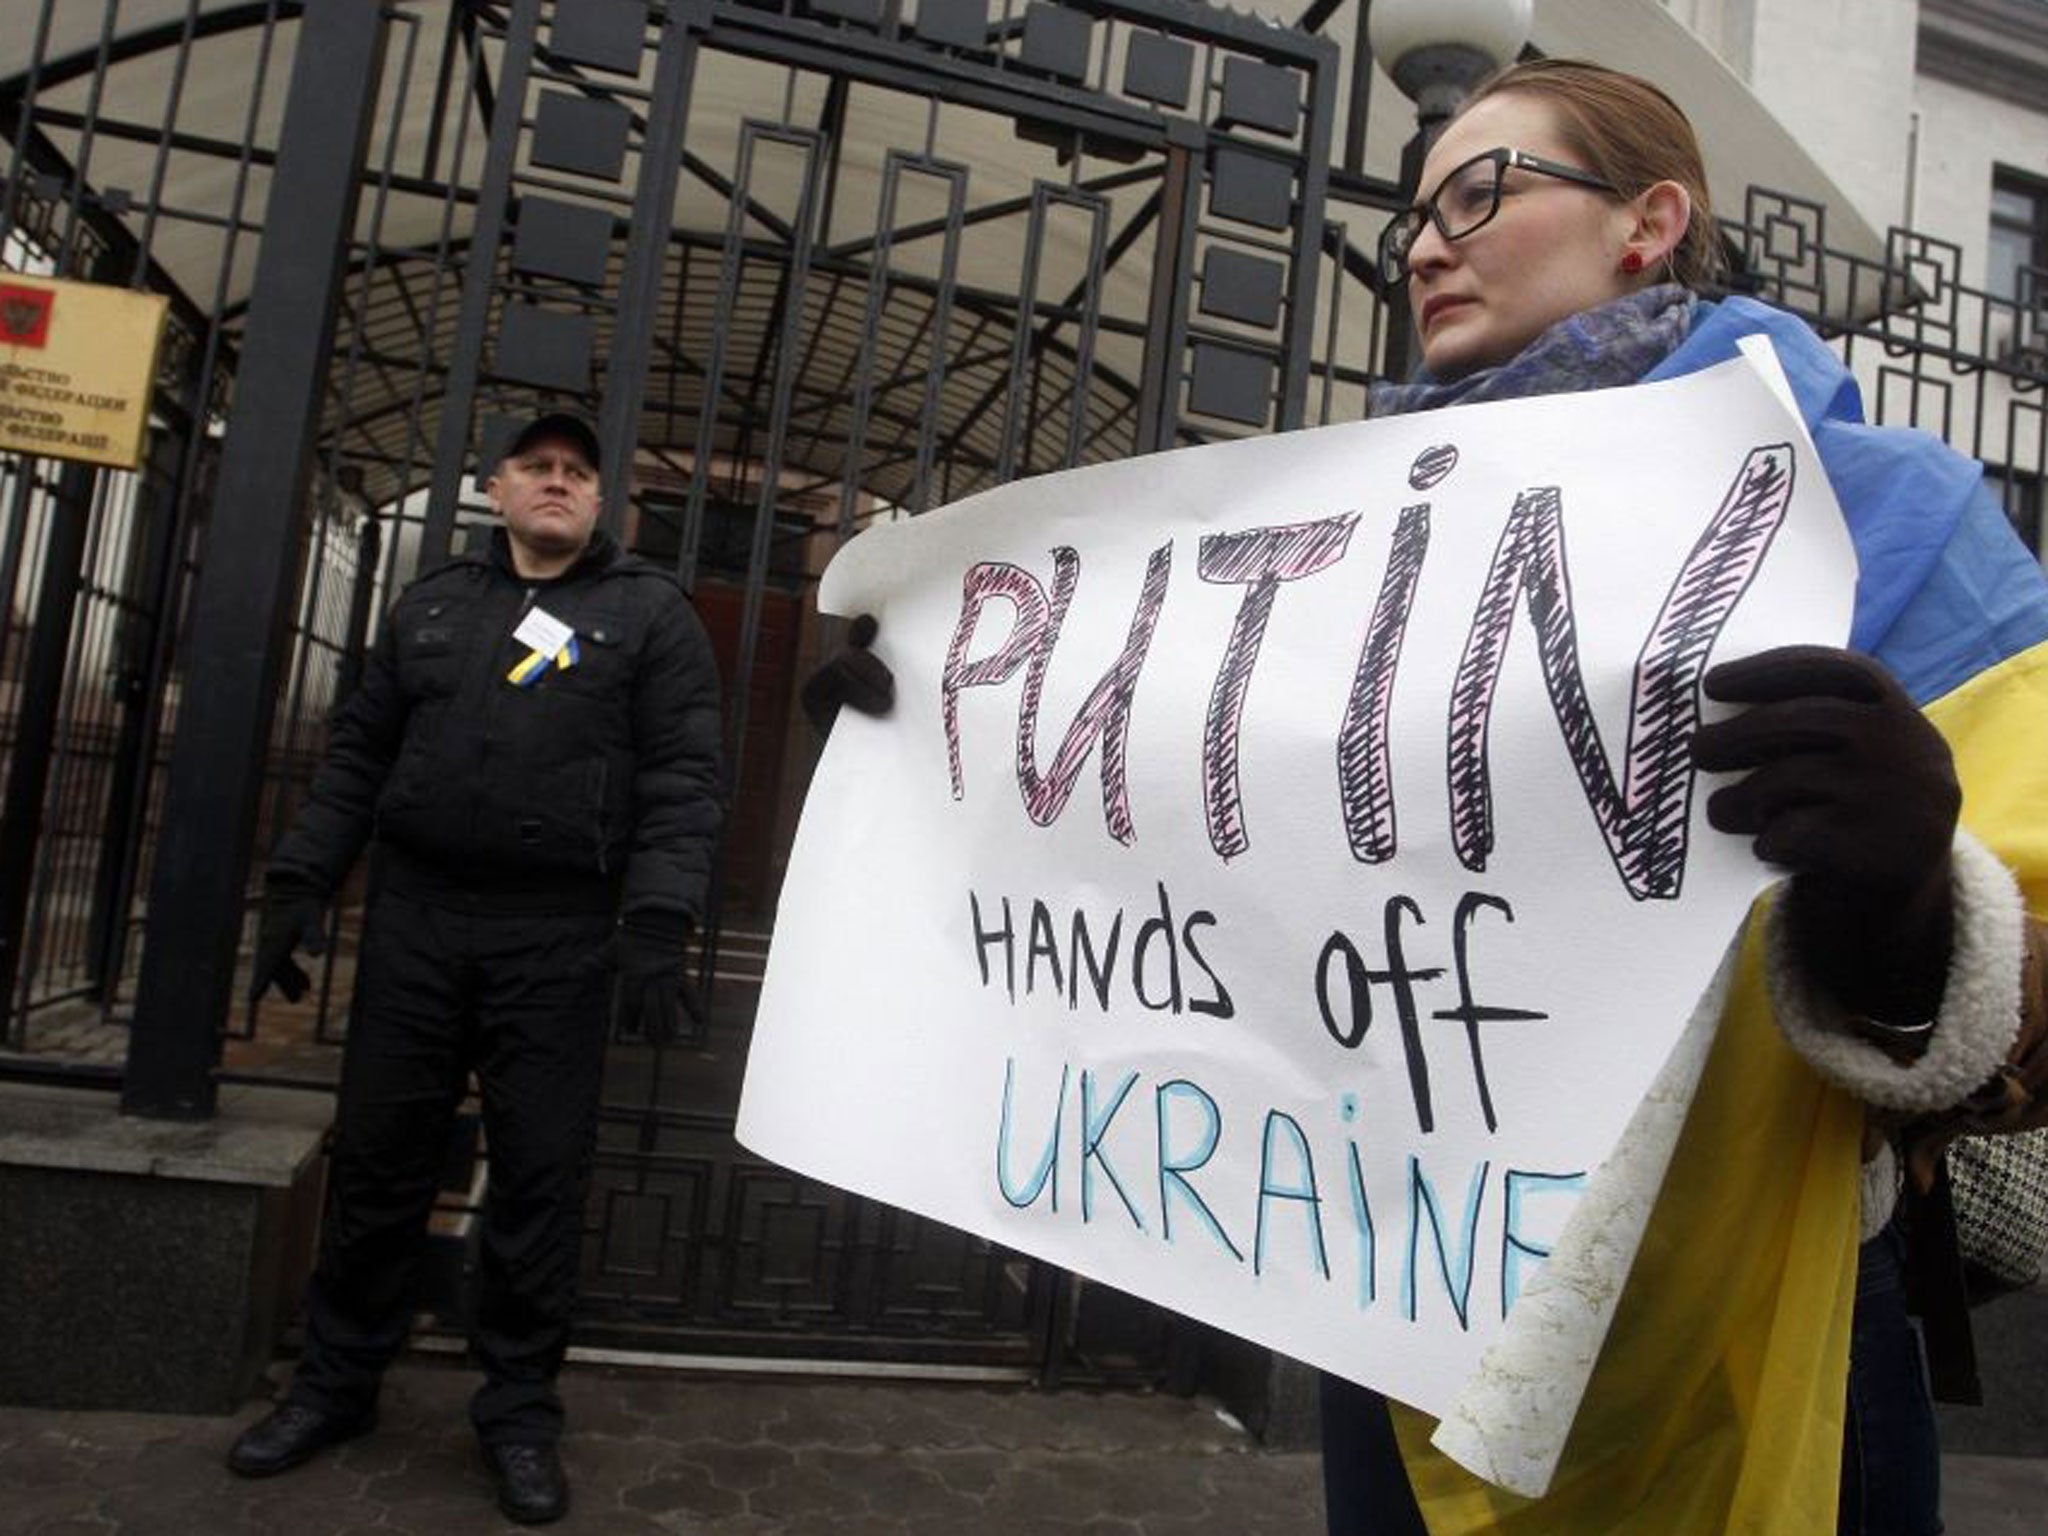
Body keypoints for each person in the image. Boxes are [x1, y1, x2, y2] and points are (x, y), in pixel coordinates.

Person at [804, 60, 2048, 1535]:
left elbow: (2020, 992)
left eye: (1483, 191)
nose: (1423, 244)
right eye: (1413, 215)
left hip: (1751, 1322)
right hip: (1399, 1307)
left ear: (1649, 222)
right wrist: (938, 738)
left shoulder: (1891, 513)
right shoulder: (1344, 538)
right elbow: (1204, 854)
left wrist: (1912, 908)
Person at [226, 411, 724, 1525]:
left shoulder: (649, 616)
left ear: (603, 502)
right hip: (416, 922)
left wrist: (656, 918)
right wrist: (302, 881)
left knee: (538, 1183)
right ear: (496, 488)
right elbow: (358, 750)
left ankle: (515, 1416)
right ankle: (337, 1385)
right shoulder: (435, 603)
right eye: (536, 469)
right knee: (381, 1165)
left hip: (557, 939)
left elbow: (686, 778)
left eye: (577, 475)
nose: (557, 485)